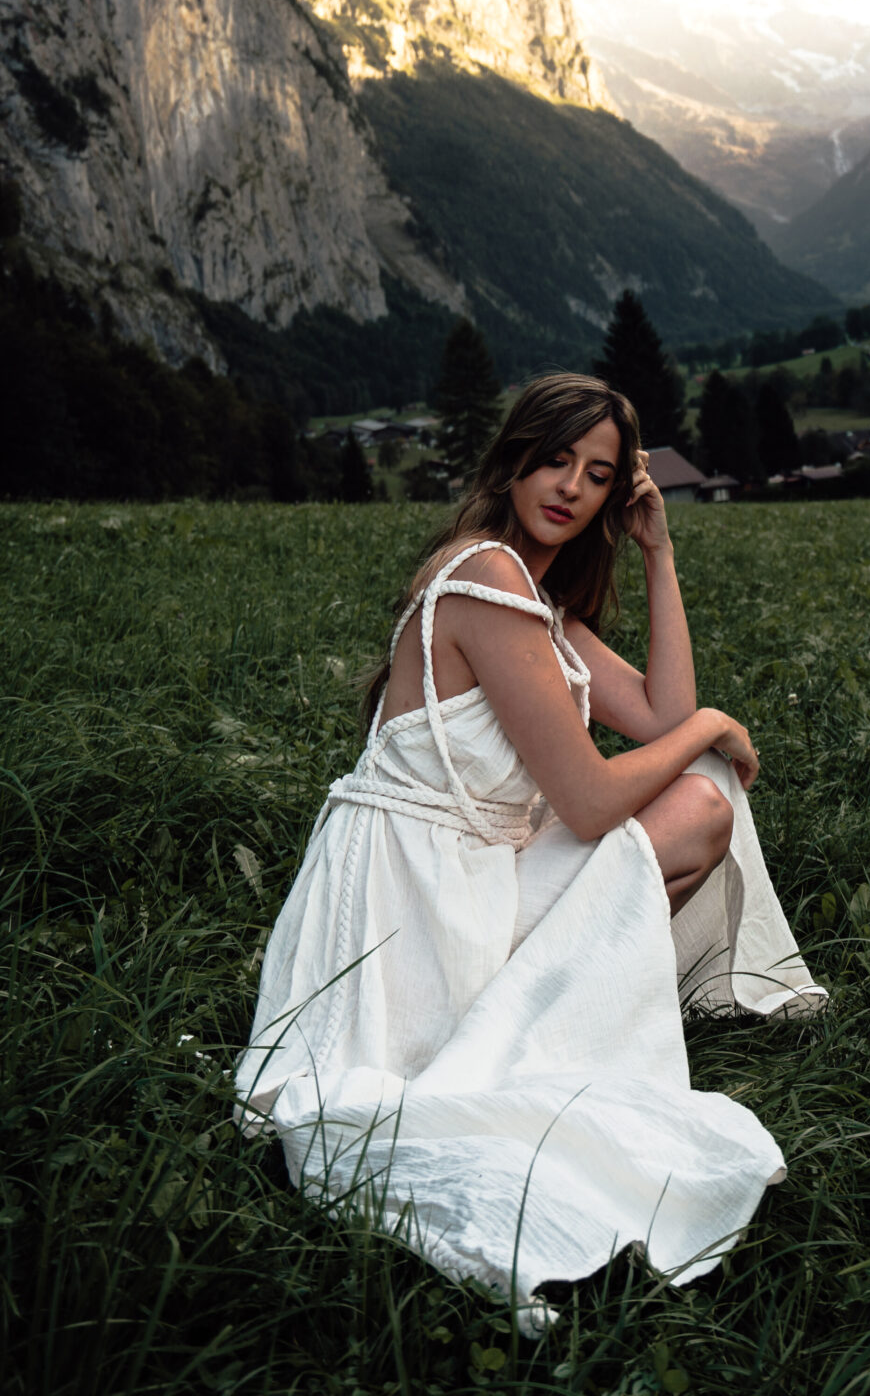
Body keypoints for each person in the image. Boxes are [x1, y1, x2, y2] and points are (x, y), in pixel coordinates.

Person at [236, 372, 823, 1323]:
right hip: (414, 910)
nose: (570, 487)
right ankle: (537, 1019)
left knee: (701, 788)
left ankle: (548, 1006)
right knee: (699, 790)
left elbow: (660, 716)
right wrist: (714, 723)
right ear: (513, 462)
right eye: (554, 459)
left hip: (469, 876)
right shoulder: (485, 575)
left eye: (598, 474)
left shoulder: (539, 606)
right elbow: (593, 801)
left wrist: (658, 552)